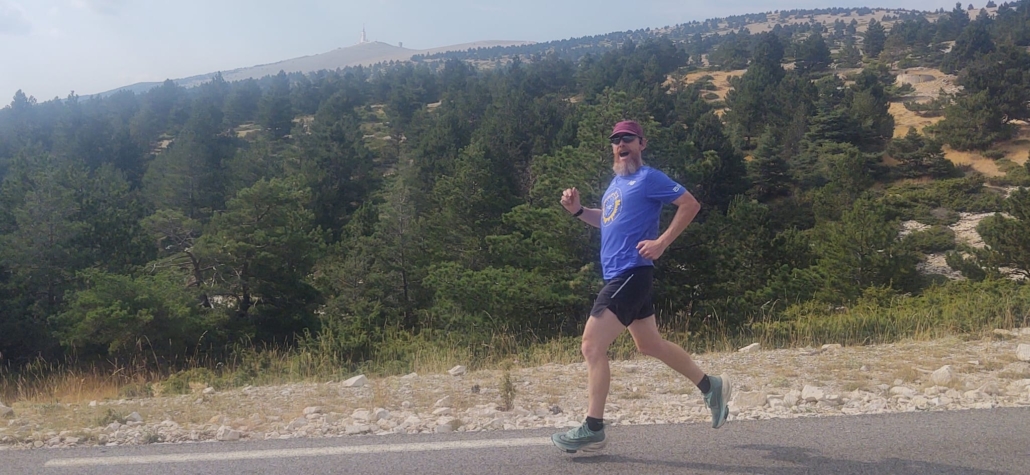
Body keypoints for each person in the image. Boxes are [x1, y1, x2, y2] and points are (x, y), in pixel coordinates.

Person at [551, 120, 731, 454]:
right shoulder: (615, 185)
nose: (621, 145)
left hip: (631, 274)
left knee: (591, 346)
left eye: (628, 139)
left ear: (641, 144)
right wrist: (577, 211)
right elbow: (604, 219)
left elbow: (690, 204)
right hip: (623, 275)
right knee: (650, 344)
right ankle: (711, 386)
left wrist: (662, 242)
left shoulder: (649, 178)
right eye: (616, 141)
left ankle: (593, 428)